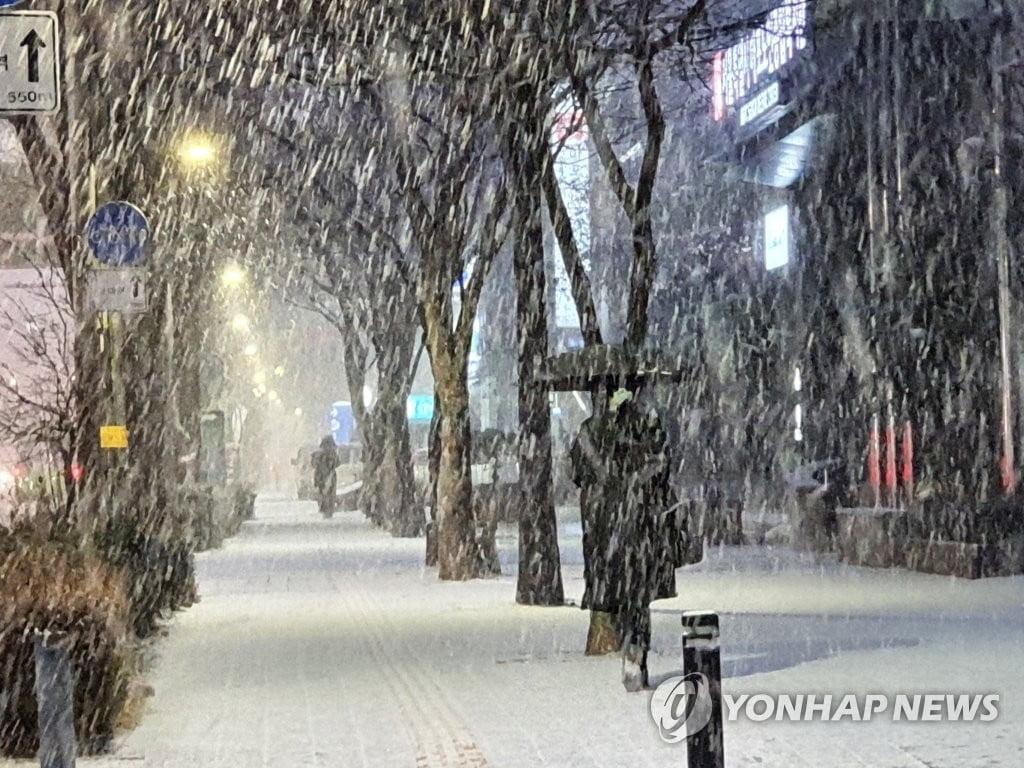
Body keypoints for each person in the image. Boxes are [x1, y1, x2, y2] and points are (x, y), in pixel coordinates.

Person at [570, 382, 677, 691]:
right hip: (641, 529)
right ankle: (635, 653)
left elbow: (575, 473)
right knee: (639, 600)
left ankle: (629, 649)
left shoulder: (590, 431)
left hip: (606, 531)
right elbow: (662, 468)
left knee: (616, 595)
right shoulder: (648, 426)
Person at [311, 436, 340, 518]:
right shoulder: (331, 454)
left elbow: (313, 465)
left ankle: (324, 508)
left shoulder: (317, 454)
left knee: (323, 493)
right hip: (328, 476)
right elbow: (337, 463)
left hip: (321, 476)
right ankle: (328, 509)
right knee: (329, 493)